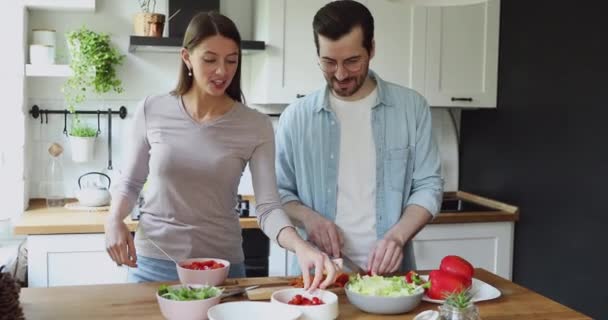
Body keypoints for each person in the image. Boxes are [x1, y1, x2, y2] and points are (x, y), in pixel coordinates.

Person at [104, 11, 336, 289]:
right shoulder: (151, 109)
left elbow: (268, 207)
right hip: (153, 263)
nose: (222, 71)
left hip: (222, 269)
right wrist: (114, 219)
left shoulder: (256, 125)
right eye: (210, 59)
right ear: (187, 58)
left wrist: (300, 246)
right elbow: (130, 182)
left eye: (231, 60)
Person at [275, 0, 443, 276]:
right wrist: (309, 218)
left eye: (352, 61)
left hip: (392, 277)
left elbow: (428, 185)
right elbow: (279, 193)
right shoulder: (296, 117)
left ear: (372, 49)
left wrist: (397, 237)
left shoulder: (411, 108)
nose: (340, 75)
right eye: (329, 62)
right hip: (319, 276)